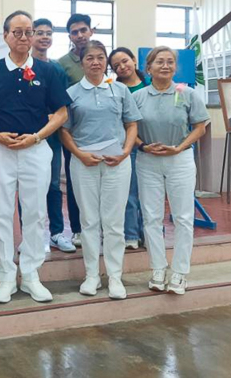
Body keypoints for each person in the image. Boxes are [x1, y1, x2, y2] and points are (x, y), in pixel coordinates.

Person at [0, 10, 70, 304]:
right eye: (17, 32)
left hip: (35, 148)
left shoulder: (49, 71)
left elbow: (62, 112)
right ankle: (6, 275)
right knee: (1, 213)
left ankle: (30, 274)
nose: (24, 37)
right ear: (5, 36)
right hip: (0, 149)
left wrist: (38, 136)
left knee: (34, 211)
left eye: (28, 32)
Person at [59, 41, 142, 300]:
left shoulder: (119, 90)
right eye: (90, 58)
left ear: (106, 61)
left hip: (117, 162)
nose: (95, 62)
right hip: (84, 163)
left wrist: (126, 151)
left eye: (100, 57)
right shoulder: (71, 93)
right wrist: (80, 154)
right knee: (89, 221)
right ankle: (92, 275)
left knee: (114, 221)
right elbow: (64, 130)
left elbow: (131, 124)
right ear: (82, 63)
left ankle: (115, 277)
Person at [133, 46, 210, 295]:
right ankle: (157, 268)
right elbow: (129, 130)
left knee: (184, 218)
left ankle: (179, 272)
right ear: (149, 67)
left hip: (180, 160)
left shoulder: (187, 93)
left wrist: (179, 147)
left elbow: (200, 127)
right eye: (159, 62)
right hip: (148, 161)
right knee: (151, 217)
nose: (165, 66)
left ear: (175, 67)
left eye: (169, 62)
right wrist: (143, 146)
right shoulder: (138, 97)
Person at [26, 18, 75, 253]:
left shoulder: (56, 69)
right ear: (30, 36)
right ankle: (28, 238)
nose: (44, 37)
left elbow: (61, 104)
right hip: (26, 138)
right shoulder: (23, 65)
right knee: (27, 188)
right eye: (39, 32)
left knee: (53, 186)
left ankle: (56, 233)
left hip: (52, 138)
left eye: (48, 33)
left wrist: (51, 120)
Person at [56, 14, 94, 248]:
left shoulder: (101, 57)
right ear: (69, 36)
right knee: (74, 181)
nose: (79, 35)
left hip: (101, 132)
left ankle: (97, 226)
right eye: (74, 32)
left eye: (83, 30)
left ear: (91, 31)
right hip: (74, 132)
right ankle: (78, 229)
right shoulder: (62, 63)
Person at [108, 47, 150, 250]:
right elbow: (124, 124)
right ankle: (131, 234)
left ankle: (150, 234)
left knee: (151, 193)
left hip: (155, 148)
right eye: (116, 66)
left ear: (134, 60)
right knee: (130, 193)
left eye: (125, 61)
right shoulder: (115, 91)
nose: (122, 67)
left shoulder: (152, 85)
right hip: (131, 147)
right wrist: (138, 143)